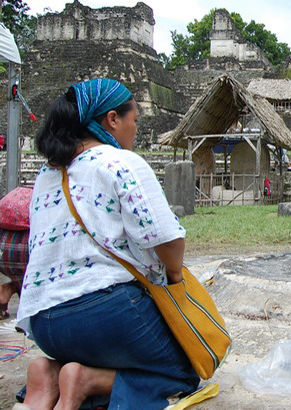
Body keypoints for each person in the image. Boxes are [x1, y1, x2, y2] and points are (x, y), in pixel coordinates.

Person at [16, 79, 199, 409]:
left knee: (119, 351)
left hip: (44, 324)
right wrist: (174, 276)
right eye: (135, 121)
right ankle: (86, 379)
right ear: (113, 119)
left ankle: (52, 370)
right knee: (183, 371)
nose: (135, 129)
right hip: (105, 314)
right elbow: (167, 239)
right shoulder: (120, 161)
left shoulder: (48, 172)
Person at [0, 185, 33, 319]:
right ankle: (26, 319)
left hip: (2, 253)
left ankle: (4, 294)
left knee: (19, 278)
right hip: (25, 254)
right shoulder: (40, 200)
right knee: (29, 282)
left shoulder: (10, 203)